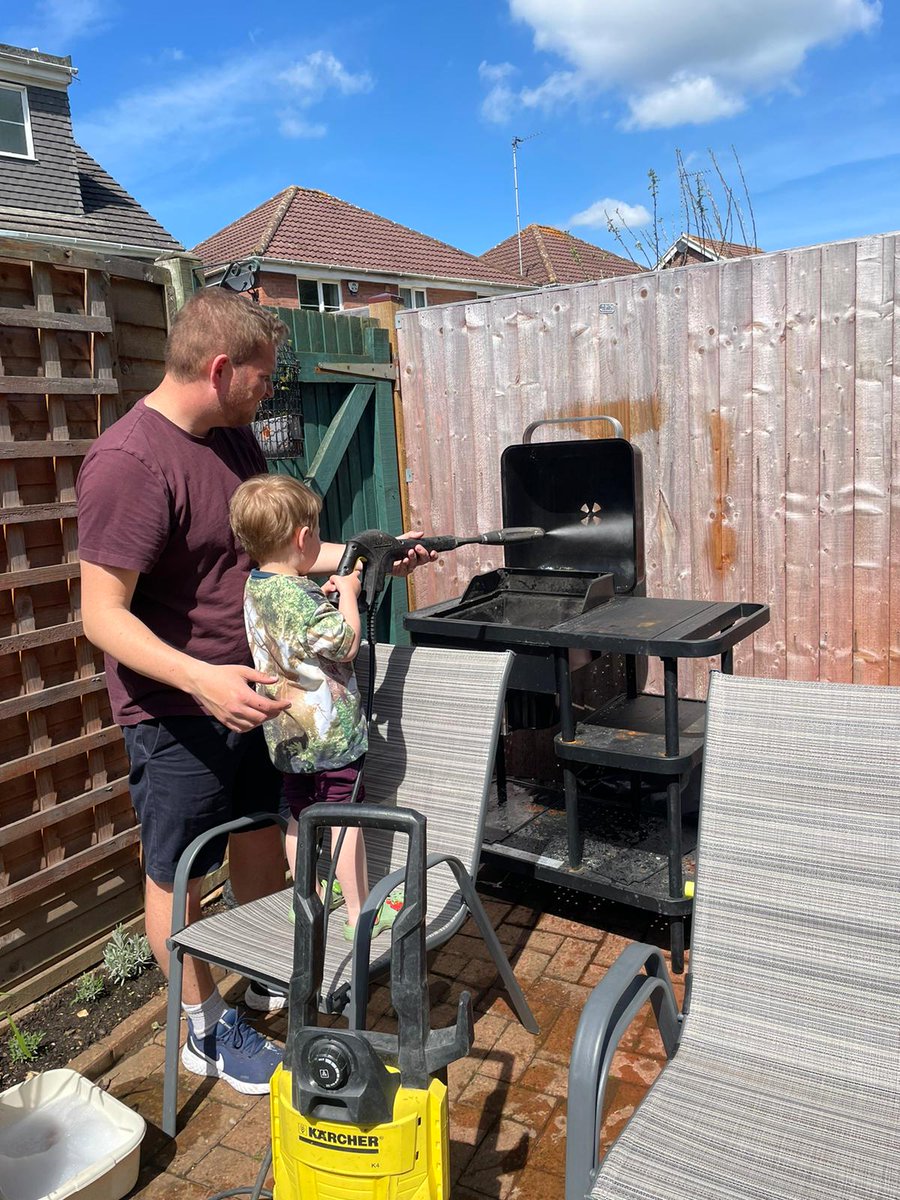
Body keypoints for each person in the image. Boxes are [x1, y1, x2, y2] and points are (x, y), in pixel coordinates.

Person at [76, 288, 432, 1096]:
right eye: (264, 376)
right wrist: (199, 679)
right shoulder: (129, 464)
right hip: (176, 709)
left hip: (258, 693)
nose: (270, 391)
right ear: (219, 368)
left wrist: (363, 556)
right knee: (179, 872)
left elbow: (273, 556)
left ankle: (277, 971)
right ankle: (205, 1031)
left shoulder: (230, 440)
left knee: (260, 836)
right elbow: (101, 616)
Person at [228, 473, 404, 940]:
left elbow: (297, 633)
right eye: (317, 534)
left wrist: (322, 600)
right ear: (302, 538)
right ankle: (360, 914)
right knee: (345, 817)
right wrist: (346, 594)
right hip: (329, 735)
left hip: (287, 734)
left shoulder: (257, 588)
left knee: (300, 814)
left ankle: (308, 897)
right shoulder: (300, 597)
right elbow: (345, 644)